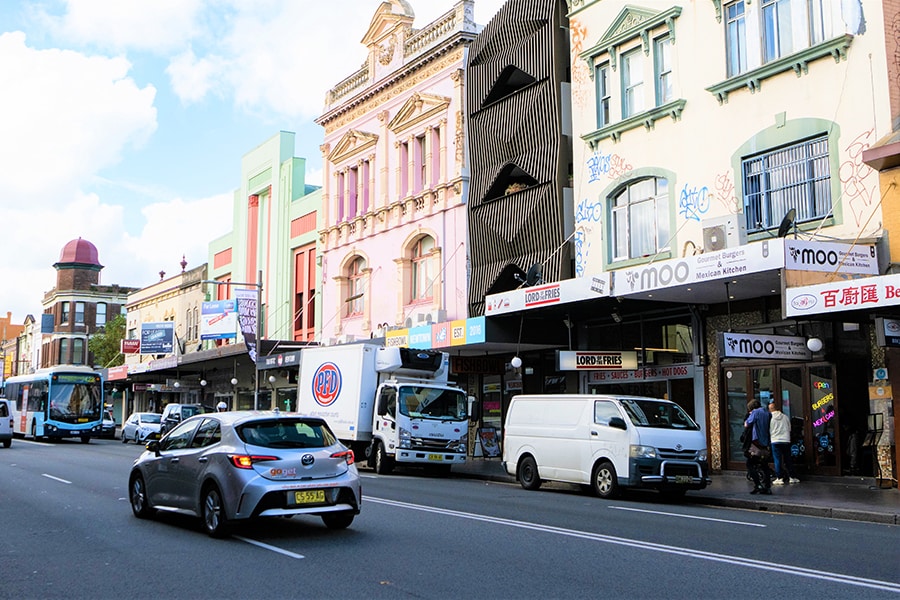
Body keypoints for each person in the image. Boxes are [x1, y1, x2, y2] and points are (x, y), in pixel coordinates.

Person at [745, 399, 773, 495]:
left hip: (756, 443)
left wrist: (749, 416)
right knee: (764, 465)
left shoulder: (755, 412)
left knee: (750, 464)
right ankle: (767, 487)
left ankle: (758, 485)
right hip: (765, 443)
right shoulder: (767, 412)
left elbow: (747, 424)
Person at [769, 402, 799, 485]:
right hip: (785, 440)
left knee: (777, 459)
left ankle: (779, 478)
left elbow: (769, 429)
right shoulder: (785, 417)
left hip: (775, 440)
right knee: (788, 459)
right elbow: (789, 428)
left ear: (770, 409)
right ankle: (791, 477)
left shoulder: (770, 418)